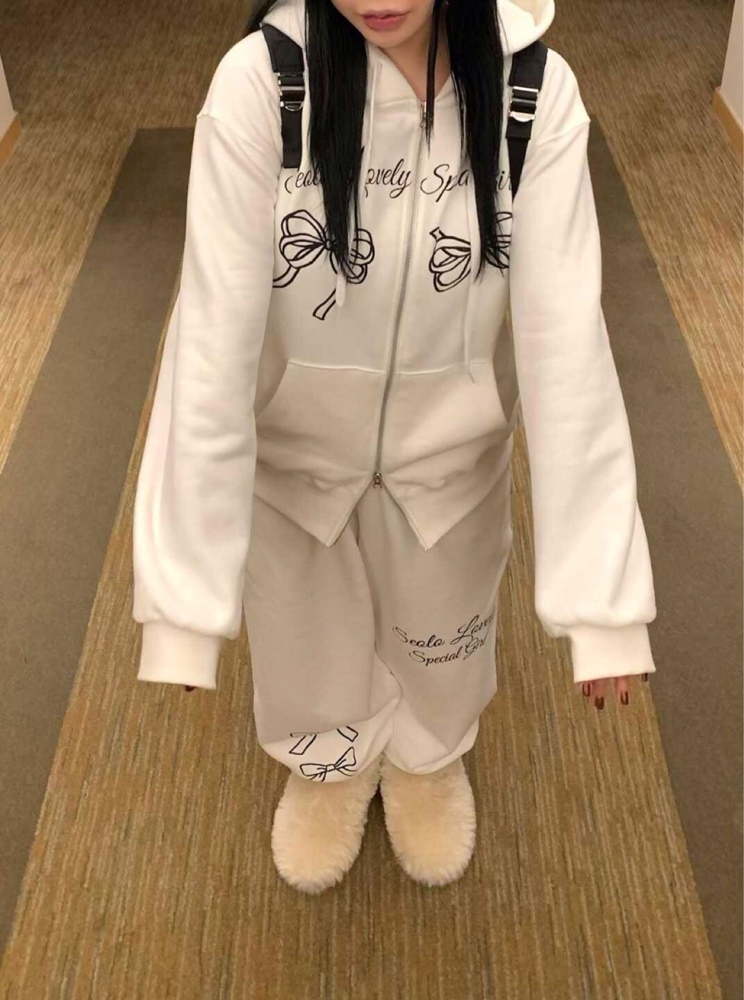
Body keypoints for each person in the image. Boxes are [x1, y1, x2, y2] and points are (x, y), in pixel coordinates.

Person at [131, 0, 657, 893]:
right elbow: (208, 345)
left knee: (443, 645)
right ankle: (327, 765)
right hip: (295, 469)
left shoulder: (534, 94)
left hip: (452, 467)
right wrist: (184, 599)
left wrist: (603, 600)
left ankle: (425, 759)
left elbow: (569, 344)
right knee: (308, 644)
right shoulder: (264, 86)